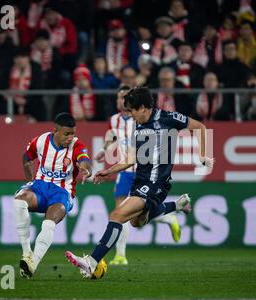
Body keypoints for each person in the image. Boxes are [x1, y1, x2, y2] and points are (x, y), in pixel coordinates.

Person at [65, 87, 214, 278]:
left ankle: (91, 262)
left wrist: (202, 155)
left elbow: (200, 127)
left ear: (143, 108)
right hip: (140, 180)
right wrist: (108, 172)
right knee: (137, 221)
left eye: (132, 111)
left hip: (157, 182)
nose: (131, 115)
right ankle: (177, 205)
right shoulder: (140, 126)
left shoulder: (169, 118)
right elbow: (131, 158)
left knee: (117, 214)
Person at [94, 85, 181, 266]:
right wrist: (104, 150)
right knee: (122, 212)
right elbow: (111, 138)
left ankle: (169, 213)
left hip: (144, 172)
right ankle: (120, 255)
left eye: (125, 97)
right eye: (119, 97)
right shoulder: (114, 120)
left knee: (134, 217)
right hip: (125, 171)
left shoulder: (143, 119)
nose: (122, 100)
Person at [13, 112, 92, 278]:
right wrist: (29, 181)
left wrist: (85, 169)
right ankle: (27, 253)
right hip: (40, 187)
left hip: (62, 193)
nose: (70, 138)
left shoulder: (77, 146)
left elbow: (84, 159)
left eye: (73, 134)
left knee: (49, 223)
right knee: (19, 201)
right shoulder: (40, 141)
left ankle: (33, 263)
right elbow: (27, 157)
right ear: (55, 130)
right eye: (66, 134)